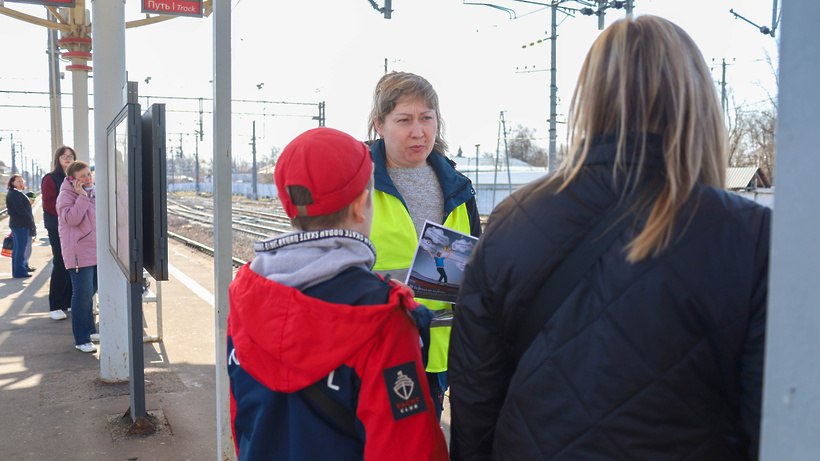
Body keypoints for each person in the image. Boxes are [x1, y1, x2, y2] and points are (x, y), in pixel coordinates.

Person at [449, 15, 771, 461]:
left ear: (590, 98)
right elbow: (771, 418)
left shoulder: (512, 222)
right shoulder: (749, 237)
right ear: (697, 101)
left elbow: (474, 395)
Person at [227, 127, 448, 461]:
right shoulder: (383, 318)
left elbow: (241, 421)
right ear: (362, 205)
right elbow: (407, 449)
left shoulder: (247, 294)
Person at [366, 71, 482, 419]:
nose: (418, 131)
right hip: (381, 351)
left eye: (426, 118)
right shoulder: (359, 185)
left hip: (444, 355)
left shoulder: (459, 189)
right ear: (379, 125)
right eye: (404, 120)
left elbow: (476, 270)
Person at [56, 161, 98, 354]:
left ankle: (90, 329)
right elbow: (72, 219)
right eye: (82, 176)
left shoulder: (93, 191)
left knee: (90, 291)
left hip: (95, 249)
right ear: (72, 179)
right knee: (82, 294)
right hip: (79, 252)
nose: (87, 178)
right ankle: (81, 338)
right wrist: (82, 197)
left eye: (88, 174)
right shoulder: (65, 195)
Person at [41, 146, 76, 320]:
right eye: (64, 156)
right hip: (57, 225)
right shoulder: (50, 178)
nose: (68, 159)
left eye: (71, 156)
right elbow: (48, 203)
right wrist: (68, 213)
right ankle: (55, 305)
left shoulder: (75, 177)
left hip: (74, 225)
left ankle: (68, 302)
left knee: (72, 263)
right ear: (58, 159)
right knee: (61, 262)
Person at [5, 174, 37, 278]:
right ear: (12, 183)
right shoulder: (14, 194)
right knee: (20, 249)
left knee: (18, 249)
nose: (20, 183)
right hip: (20, 225)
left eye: (21, 181)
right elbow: (21, 210)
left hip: (18, 224)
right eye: (18, 181)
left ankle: (18, 271)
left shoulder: (15, 193)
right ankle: (20, 272)